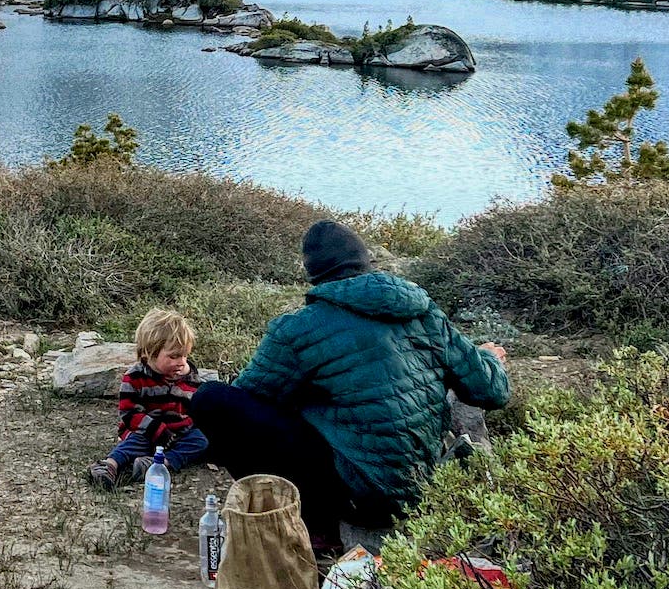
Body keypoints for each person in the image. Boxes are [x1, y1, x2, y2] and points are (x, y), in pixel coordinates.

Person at [186, 220, 508, 547]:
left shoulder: (300, 328)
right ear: (368, 263)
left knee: (211, 400)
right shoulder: (425, 313)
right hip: (422, 484)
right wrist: (488, 360)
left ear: (314, 274)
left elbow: (247, 399)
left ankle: (312, 521)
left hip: (362, 497)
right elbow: (492, 390)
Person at [86, 308, 210, 489]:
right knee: (135, 442)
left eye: (184, 355)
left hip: (177, 434)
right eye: (173, 356)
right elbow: (128, 413)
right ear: (149, 353)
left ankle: (158, 465)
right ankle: (109, 465)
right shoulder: (135, 377)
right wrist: (155, 429)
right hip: (147, 432)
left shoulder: (190, 378)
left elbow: (194, 409)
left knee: (200, 441)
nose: (181, 362)